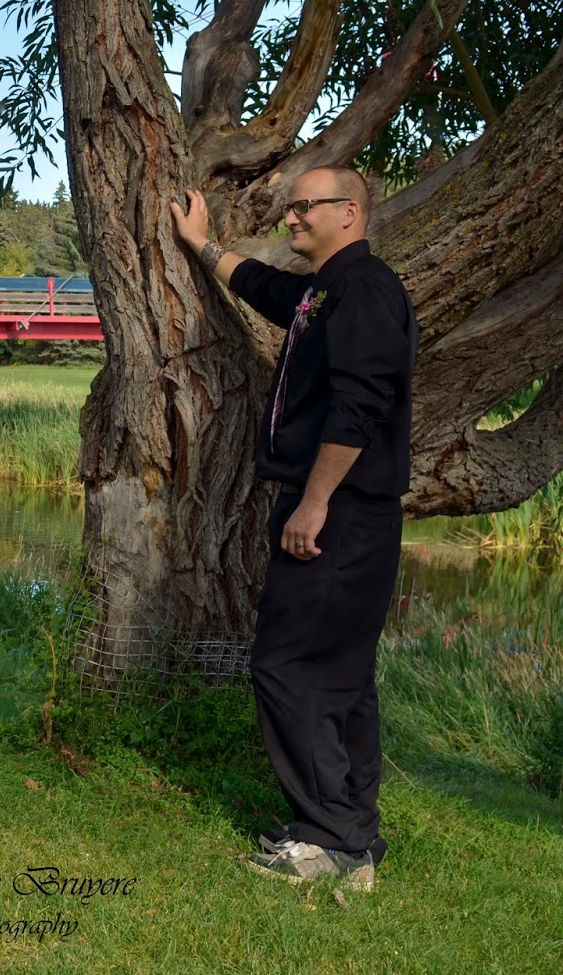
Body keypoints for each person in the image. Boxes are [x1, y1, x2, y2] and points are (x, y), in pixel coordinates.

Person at [170, 166, 418, 892]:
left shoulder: (365, 289)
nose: (291, 218)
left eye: (305, 206)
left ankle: (328, 836)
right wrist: (203, 246)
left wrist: (314, 502)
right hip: (344, 511)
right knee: (341, 675)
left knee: (288, 666)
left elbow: (361, 404)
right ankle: (352, 833)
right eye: (290, 208)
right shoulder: (325, 291)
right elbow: (268, 289)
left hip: (340, 512)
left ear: (350, 211)